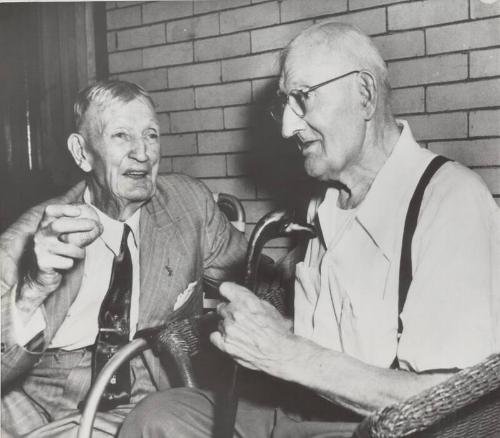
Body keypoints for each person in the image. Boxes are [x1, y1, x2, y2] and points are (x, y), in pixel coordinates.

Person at [118, 21, 500, 438]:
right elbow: (333, 340)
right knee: (157, 418)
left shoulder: (449, 200)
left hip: (375, 427)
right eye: (284, 104)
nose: (287, 127)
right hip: (297, 409)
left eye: (302, 99)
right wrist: (267, 331)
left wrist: (287, 354)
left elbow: (453, 400)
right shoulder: (328, 201)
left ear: (365, 95)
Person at [0, 80, 247, 437]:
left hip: (145, 403)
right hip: (40, 403)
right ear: (82, 152)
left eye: (151, 135)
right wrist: (32, 289)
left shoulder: (188, 207)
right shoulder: (29, 238)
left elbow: (255, 276)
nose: (143, 153)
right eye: (121, 136)